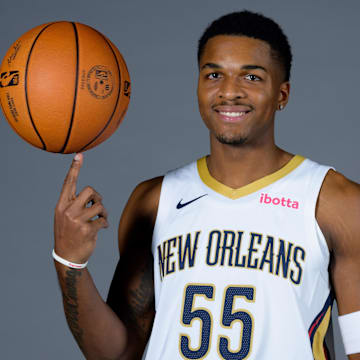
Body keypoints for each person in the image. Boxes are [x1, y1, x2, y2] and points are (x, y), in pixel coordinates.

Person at [53, 10, 360, 360]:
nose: (229, 92)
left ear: (282, 94)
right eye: (214, 74)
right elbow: (117, 354)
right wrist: (69, 263)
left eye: (252, 77)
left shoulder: (336, 203)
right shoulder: (154, 201)